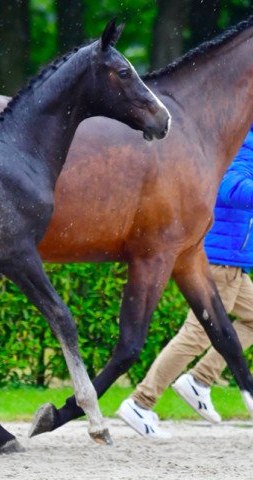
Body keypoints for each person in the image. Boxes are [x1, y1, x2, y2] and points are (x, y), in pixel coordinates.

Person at [117, 125, 253, 438]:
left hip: (234, 260)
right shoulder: (243, 143)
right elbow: (230, 187)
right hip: (221, 260)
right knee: (196, 335)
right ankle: (140, 402)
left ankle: (200, 379)